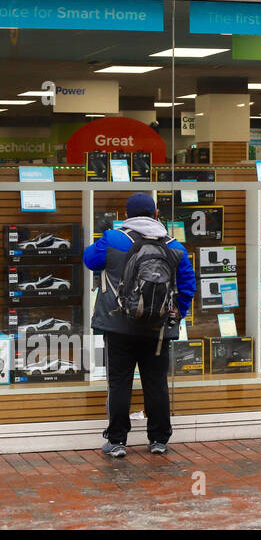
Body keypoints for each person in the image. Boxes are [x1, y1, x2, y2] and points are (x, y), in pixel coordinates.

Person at [84, 193, 196, 456]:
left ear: (126, 215)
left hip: (118, 325)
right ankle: (158, 440)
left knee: (119, 383)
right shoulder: (175, 247)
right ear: (156, 215)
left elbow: (89, 260)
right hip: (157, 330)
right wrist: (174, 316)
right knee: (156, 382)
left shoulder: (113, 239)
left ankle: (117, 441)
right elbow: (188, 287)